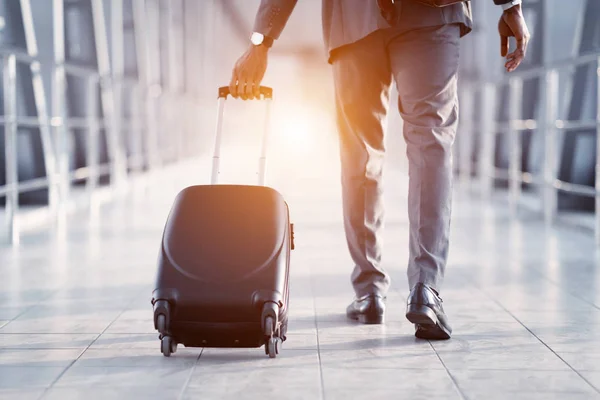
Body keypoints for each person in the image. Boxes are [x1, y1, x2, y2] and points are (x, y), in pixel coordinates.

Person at [229, 0, 530, 340]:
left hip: (354, 19)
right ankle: (425, 288)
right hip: (431, 14)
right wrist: (511, 6)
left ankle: (369, 290)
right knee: (430, 144)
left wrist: (261, 40)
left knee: (361, 153)